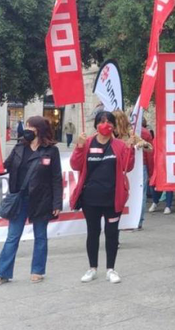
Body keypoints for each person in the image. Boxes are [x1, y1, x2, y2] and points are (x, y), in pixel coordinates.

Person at [0, 117, 63, 286]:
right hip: (19, 199)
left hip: (42, 199)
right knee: (12, 237)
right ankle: (2, 273)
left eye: (30, 126)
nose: (26, 129)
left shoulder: (51, 151)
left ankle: (37, 270)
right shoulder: (19, 146)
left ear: (39, 129)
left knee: (40, 236)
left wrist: (57, 203)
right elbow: (5, 166)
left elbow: (56, 178)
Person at [70, 111, 136, 284]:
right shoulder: (87, 142)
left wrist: (130, 149)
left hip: (112, 198)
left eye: (108, 121)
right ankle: (92, 268)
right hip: (90, 198)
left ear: (114, 125)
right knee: (93, 232)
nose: (105, 124)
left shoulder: (120, 145)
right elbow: (75, 165)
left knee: (111, 233)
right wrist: (79, 147)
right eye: (102, 121)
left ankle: (111, 269)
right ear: (96, 124)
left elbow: (127, 167)